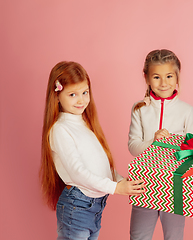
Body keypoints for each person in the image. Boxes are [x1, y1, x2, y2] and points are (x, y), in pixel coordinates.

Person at [40, 61, 145, 240]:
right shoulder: (60, 130)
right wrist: (116, 188)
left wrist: (121, 180)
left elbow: (101, 164)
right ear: (57, 96)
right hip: (78, 205)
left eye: (85, 92)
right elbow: (78, 173)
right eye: (72, 94)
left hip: (94, 206)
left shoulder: (85, 123)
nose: (81, 100)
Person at [128, 49, 193, 240]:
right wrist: (154, 142)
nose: (164, 83)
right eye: (157, 77)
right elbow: (133, 146)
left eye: (169, 76)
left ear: (177, 77)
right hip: (145, 184)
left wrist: (173, 145)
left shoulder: (187, 111)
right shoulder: (139, 109)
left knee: (174, 236)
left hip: (176, 184)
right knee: (138, 236)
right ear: (146, 78)